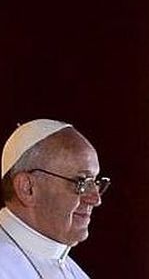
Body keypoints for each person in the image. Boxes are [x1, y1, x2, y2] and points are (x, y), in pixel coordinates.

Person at [0, 119, 110, 278]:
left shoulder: (74, 271)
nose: (95, 199)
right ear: (27, 188)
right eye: (82, 182)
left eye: (95, 182)